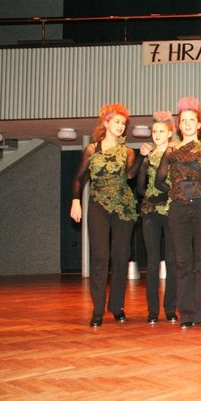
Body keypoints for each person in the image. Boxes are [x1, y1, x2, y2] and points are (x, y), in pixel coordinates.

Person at [70, 103, 142, 328]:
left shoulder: (128, 152)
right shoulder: (92, 149)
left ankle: (117, 306)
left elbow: (130, 176)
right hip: (98, 206)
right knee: (100, 257)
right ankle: (98, 309)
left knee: (121, 256)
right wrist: (75, 201)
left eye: (123, 123)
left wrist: (142, 157)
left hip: (123, 207)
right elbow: (78, 178)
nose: (120, 126)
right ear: (106, 123)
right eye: (117, 122)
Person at [155, 96, 201, 330]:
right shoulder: (170, 151)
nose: (188, 124)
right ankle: (187, 314)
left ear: (199, 124)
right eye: (184, 121)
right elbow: (159, 181)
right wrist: (175, 192)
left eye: (192, 120)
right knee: (183, 263)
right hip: (178, 211)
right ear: (179, 126)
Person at [136, 111, 178, 324]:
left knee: (172, 261)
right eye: (154, 131)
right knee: (152, 261)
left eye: (162, 131)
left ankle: (170, 308)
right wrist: (151, 199)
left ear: (169, 133)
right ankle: (152, 310)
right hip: (151, 213)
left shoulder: (176, 154)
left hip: (172, 212)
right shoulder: (147, 157)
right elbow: (139, 187)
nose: (157, 135)